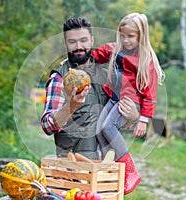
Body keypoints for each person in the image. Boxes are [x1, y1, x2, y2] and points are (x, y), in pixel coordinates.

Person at [40, 17, 139, 160]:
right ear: (66, 44)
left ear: (92, 41)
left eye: (83, 40)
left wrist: (133, 118)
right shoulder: (60, 78)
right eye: (72, 41)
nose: (78, 46)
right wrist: (70, 107)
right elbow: (46, 125)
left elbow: (115, 121)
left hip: (106, 167)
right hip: (75, 169)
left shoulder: (107, 76)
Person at [92, 13, 165, 194]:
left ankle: (130, 171)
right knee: (99, 131)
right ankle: (110, 168)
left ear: (141, 35)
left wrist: (143, 119)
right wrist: (76, 60)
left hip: (131, 102)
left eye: (131, 36)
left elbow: (150, 94)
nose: (126, 40)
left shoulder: (146, 60)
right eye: (122, 35)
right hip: (115, 98)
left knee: (109, 127)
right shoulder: (116, 50)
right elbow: (97, 54)